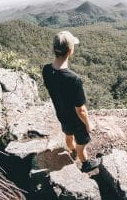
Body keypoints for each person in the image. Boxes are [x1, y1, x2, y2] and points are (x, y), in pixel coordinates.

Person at [42, 30, 99, 173]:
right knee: (82, 143)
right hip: (76, 120)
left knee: (68, 135)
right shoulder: (74, 79)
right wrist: (88, 124)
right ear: (70, 50)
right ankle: (85, 163)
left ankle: (72, 151)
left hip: (62, 115)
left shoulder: (46, 70)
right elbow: (81, 110)